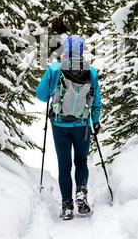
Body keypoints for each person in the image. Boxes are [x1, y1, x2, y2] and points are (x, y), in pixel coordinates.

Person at [36, 35, 102, 220]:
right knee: (81, 161)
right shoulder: (91, 71)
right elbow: (96, 101)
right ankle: (81, 194)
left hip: (59, 124)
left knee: (64, 165)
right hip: (82, 125)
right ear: (81, 51)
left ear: (64, 50)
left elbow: (41, 95)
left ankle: (67, 205)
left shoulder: (55, 69)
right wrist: (95, 121)